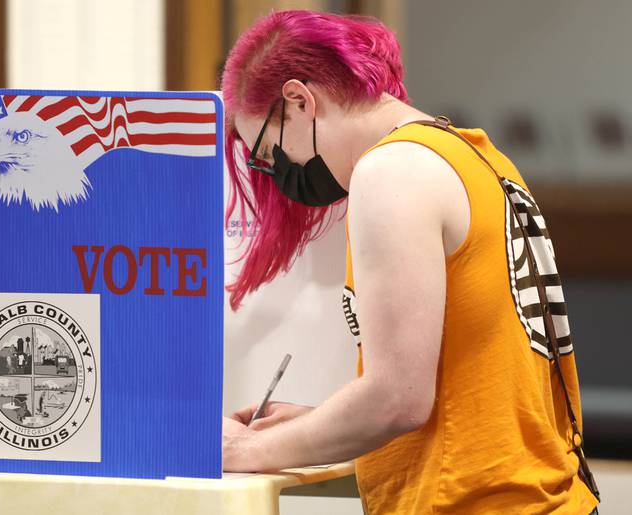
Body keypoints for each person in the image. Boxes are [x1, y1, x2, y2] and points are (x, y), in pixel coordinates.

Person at [220, 10, 599, 514]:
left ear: (299, 100)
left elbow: (396, 400)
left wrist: (249, 451)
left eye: (269, 151)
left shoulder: (390, 173)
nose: (276, 173)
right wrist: (316, 424)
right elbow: (463, 391)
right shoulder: (471, 156)